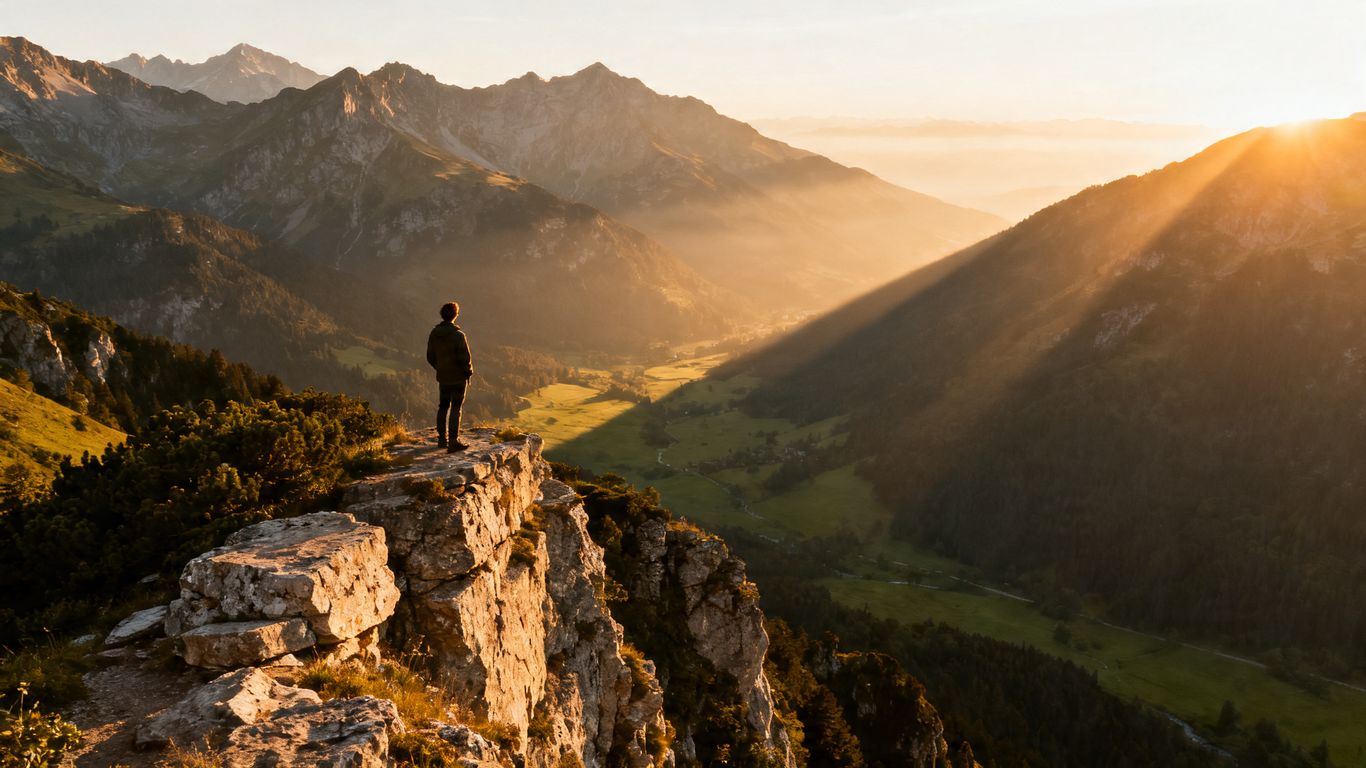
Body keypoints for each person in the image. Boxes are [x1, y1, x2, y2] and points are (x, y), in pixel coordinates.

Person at [426, 301, 473, 451]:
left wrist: (439, 368)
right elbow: (465, 358)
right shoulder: (459, 336)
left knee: (443, 406)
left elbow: (430, 356)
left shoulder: (434, 334)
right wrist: (468, 371)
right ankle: (453, 441)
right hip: (458, 378)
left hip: (443, 377)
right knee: (456, 408)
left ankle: (441, 440)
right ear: (456, 315)